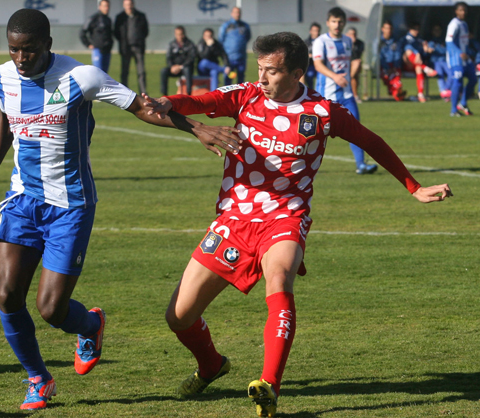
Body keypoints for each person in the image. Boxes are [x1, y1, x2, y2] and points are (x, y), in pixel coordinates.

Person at [145, 31, 453, 418]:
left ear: (296, 73)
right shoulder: (246, 95)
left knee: (280, 278)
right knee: (178, 316)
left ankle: (269, 387)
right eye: (259, 69)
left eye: (271, 72)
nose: (262, 78)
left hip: (285, 218)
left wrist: (414, 187)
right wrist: (166, 102)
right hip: (234, 220)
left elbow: (372, 141)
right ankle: (211, 365)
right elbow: (200, 100)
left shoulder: (323, 113)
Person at [0, 8, 242, 412]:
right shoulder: (2, 76)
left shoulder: (83, 77)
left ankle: (91, 325)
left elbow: (143, 107)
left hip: (70, 206)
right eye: (13, 50)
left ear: (47, 44)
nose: (20, 59)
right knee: (7, 295)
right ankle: (38, 379)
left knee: (51, 309)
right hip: (22, 200)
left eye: (28, 51)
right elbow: (5, 118)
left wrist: (198, 128)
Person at [313, 7, 377, 175]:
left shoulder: (348, 41)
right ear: (328, 23)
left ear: (344, 23)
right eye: (334, 21)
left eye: (340, 21)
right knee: (315, 133)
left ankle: (361, 165)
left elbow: (352, 63)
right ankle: (303, 164)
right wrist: (334, 76)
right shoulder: (321, 41)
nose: (337, 25)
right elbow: (317, 65)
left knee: (356, 128)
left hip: (347, 95)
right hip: (326, 95)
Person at [446, 2, 476, 116]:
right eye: (460, 10)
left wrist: (469, 54)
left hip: (465, 58)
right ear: (456, 11)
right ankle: (453, 110)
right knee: (458, 83)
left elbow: (465, 42)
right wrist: (459, 53)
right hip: (455, 58)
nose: (463, 12)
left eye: (464, 10)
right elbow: (449, 42)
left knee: (473, 79)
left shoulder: (464, 24)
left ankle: (463, 102)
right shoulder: (453, 24)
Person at [114, 0, 149, 95]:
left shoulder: (141, 16)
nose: (128, 6)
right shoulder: (120, 17)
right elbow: (116, 33)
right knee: (124, 71)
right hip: (125, 48)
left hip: (138, 47)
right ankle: (124, 92)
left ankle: (143, 92)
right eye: (126, 4)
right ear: (124, 5)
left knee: (141, 71)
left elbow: (145, 31)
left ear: (133, 4)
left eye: (130, 4)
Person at [402, 22, 438, 102]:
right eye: (414, 29)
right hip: (406, 64)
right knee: (408, 51)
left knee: (418, 68)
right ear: (410, 29)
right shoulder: (407, 38)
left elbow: (423, 53)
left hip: (417, 64)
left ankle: (420, 94)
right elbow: (408, 48)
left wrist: (426, 49)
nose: (416, 31)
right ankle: (426, 68)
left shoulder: (419, 39)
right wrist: (417, 53)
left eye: (418, 29)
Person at [161, 26, 197, 96]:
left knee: (187, 69)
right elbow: (168, 57)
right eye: (177, 34)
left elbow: (191, 58)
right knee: (163, 71)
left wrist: (181, 66)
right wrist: (172, 66)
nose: (180, 36)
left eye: (181, 34)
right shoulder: (172, 44)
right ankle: (164, 95)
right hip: (175, 68)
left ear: (184, 34)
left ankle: (188, 93)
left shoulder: (190, 44)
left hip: (185, 68)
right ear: (175, 34)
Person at [375, 21, 406, 102]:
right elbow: (379, 56)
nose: (388, 30)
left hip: (394, 65)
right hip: (383, 66)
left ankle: (395, 93)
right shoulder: (379, 42)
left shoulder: (395, 41)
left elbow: (398, 54)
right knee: (388, 76)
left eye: (390, 28)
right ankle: (398, 88)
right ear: (382, 29)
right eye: (386, 28)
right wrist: (387, 67)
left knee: (395, 74)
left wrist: (395, 66)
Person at [219, 6, 251, 85]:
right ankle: (227, 97)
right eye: (236, 12)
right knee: (228, 79)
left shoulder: (245, 26)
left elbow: (247, 37)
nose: (238, 14)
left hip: (241, 57)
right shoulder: (226, 26)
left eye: (239, 12)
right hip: (229, 58)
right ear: (231, 13)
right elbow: (220, 39)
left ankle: (240, 97)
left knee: (241, 80)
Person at [79, 0, 113, 73]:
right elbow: (82, 33)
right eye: (104, 6)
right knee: (98, 73)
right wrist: (88, 44)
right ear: (100, 7)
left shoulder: (108, 20)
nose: (106, 8)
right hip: (98, 50)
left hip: (107, 51)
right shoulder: (93, 18)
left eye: (108, 6)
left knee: (105, 75)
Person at [426, 24, 450, 101]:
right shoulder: (431, 41)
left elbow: (446, 51)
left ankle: (446, 90)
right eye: (435, 30)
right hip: (435, 62)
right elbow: (429, 50)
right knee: (440, 74)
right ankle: (443, 92)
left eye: (438, 30)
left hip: (445, 61)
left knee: (451, 74)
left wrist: (436, 49)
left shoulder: (444, 40)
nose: (437, 32)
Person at [345, 27, 364, 103]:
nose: (353, 36)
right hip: (345, 65)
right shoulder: (344, 42)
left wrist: (352, 45)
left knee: (357, 62)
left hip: (355, 65)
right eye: (351, 34)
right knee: (354, 77)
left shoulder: (360, 44)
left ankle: (348, 80)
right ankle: (355, 96)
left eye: (354, 34)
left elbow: (356, 56)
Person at [300, 22, 320, 87]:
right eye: (314, 31)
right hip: (310, 65)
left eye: (317, 31)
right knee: (309, 74)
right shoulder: (306, 43)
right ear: (310, 31)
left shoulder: (322, 42)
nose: (316, 33)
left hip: (321, 64)